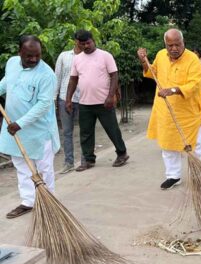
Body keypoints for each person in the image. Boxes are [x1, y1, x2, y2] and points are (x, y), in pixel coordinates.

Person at [137, 29, 201, 190]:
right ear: (165, 45)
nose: (174, 48)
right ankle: (173, 176)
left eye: (178, 44)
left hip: (189, 112)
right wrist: (143, 60)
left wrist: (173, 90)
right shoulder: (161, 55)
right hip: (166, 110)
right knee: (167, 144)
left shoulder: (193, 60)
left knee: (198, 145)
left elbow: (195, 84)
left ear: (183, 43)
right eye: (170, 45)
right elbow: (151, 71)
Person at [0, 35, 60, 219]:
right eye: (29, 56)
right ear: (20, 52)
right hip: (13, 127)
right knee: (21, 165)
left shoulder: (46, 75)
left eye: (37, 55)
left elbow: (43, 105)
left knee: (44, 168)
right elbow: (6, 83)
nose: (33, 59)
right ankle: (28, 202)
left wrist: (20, 123)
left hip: (38, 130)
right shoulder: (11, 63)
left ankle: (49, 203)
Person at [66, 30, 129, 171]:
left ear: (93, 40)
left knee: (112, 130)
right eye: (82, 44)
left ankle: (122, 154)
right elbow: (73, 79)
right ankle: (88, 160)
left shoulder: (105, 56)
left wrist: (110, 96)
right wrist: (68, 99)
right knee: (86, 132)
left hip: (104, 102)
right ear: (78, 44)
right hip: (84, 103)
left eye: (88, 43)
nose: (86, 46)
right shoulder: (77, 59)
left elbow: (114, 76)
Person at [55, 34, 85, 174]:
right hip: (64, 98)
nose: (82, 43)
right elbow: (58, 77)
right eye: (80, 41)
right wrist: (54, 99)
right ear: (75, 41)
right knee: (67, 132)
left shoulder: (89, 57)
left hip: (84, 99)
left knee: (85, 131)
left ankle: (86, 160)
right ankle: (69, 162)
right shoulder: (64, 56)